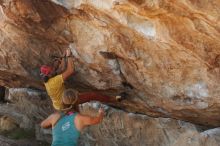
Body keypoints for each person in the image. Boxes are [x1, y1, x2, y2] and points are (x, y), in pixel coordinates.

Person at [40, 49, 125, 110]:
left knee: (82, 94)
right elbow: (70, 70)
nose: (54, 68)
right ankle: (116, 99)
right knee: (92, 95)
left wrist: (63, 57)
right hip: (65, 103)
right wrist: (69, 55)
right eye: (52, 70)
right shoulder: (54, 81)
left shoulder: (48, 80)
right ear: (50, 74)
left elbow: (58, 68)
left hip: (59, 103)